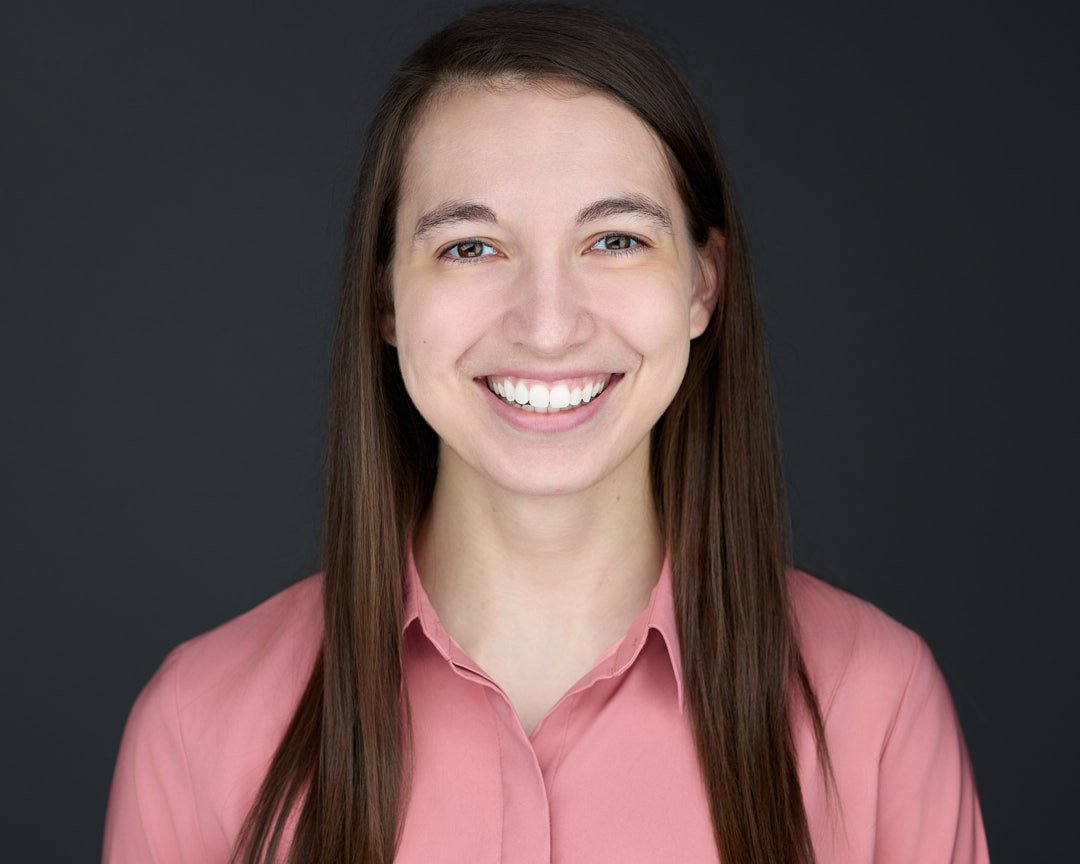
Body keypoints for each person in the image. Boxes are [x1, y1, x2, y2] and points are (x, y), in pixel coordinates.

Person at [102, 3, 990, 862]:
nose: (548, 323)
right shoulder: (198, 725)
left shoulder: (876, 707)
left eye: (614, 240)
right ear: (385, 298)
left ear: (702, 287)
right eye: (471, 247)